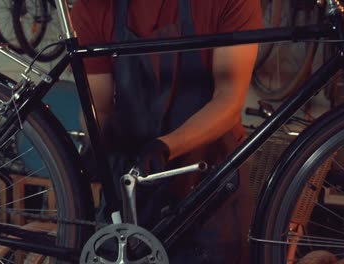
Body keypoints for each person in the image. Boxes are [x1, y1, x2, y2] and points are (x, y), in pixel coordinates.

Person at [72, 0, 262, 263]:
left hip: (211, 188)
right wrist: (101, 139)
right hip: (131, 185)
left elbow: (228, 99)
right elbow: (99, 107)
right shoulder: (95, 7)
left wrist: (166, 146)